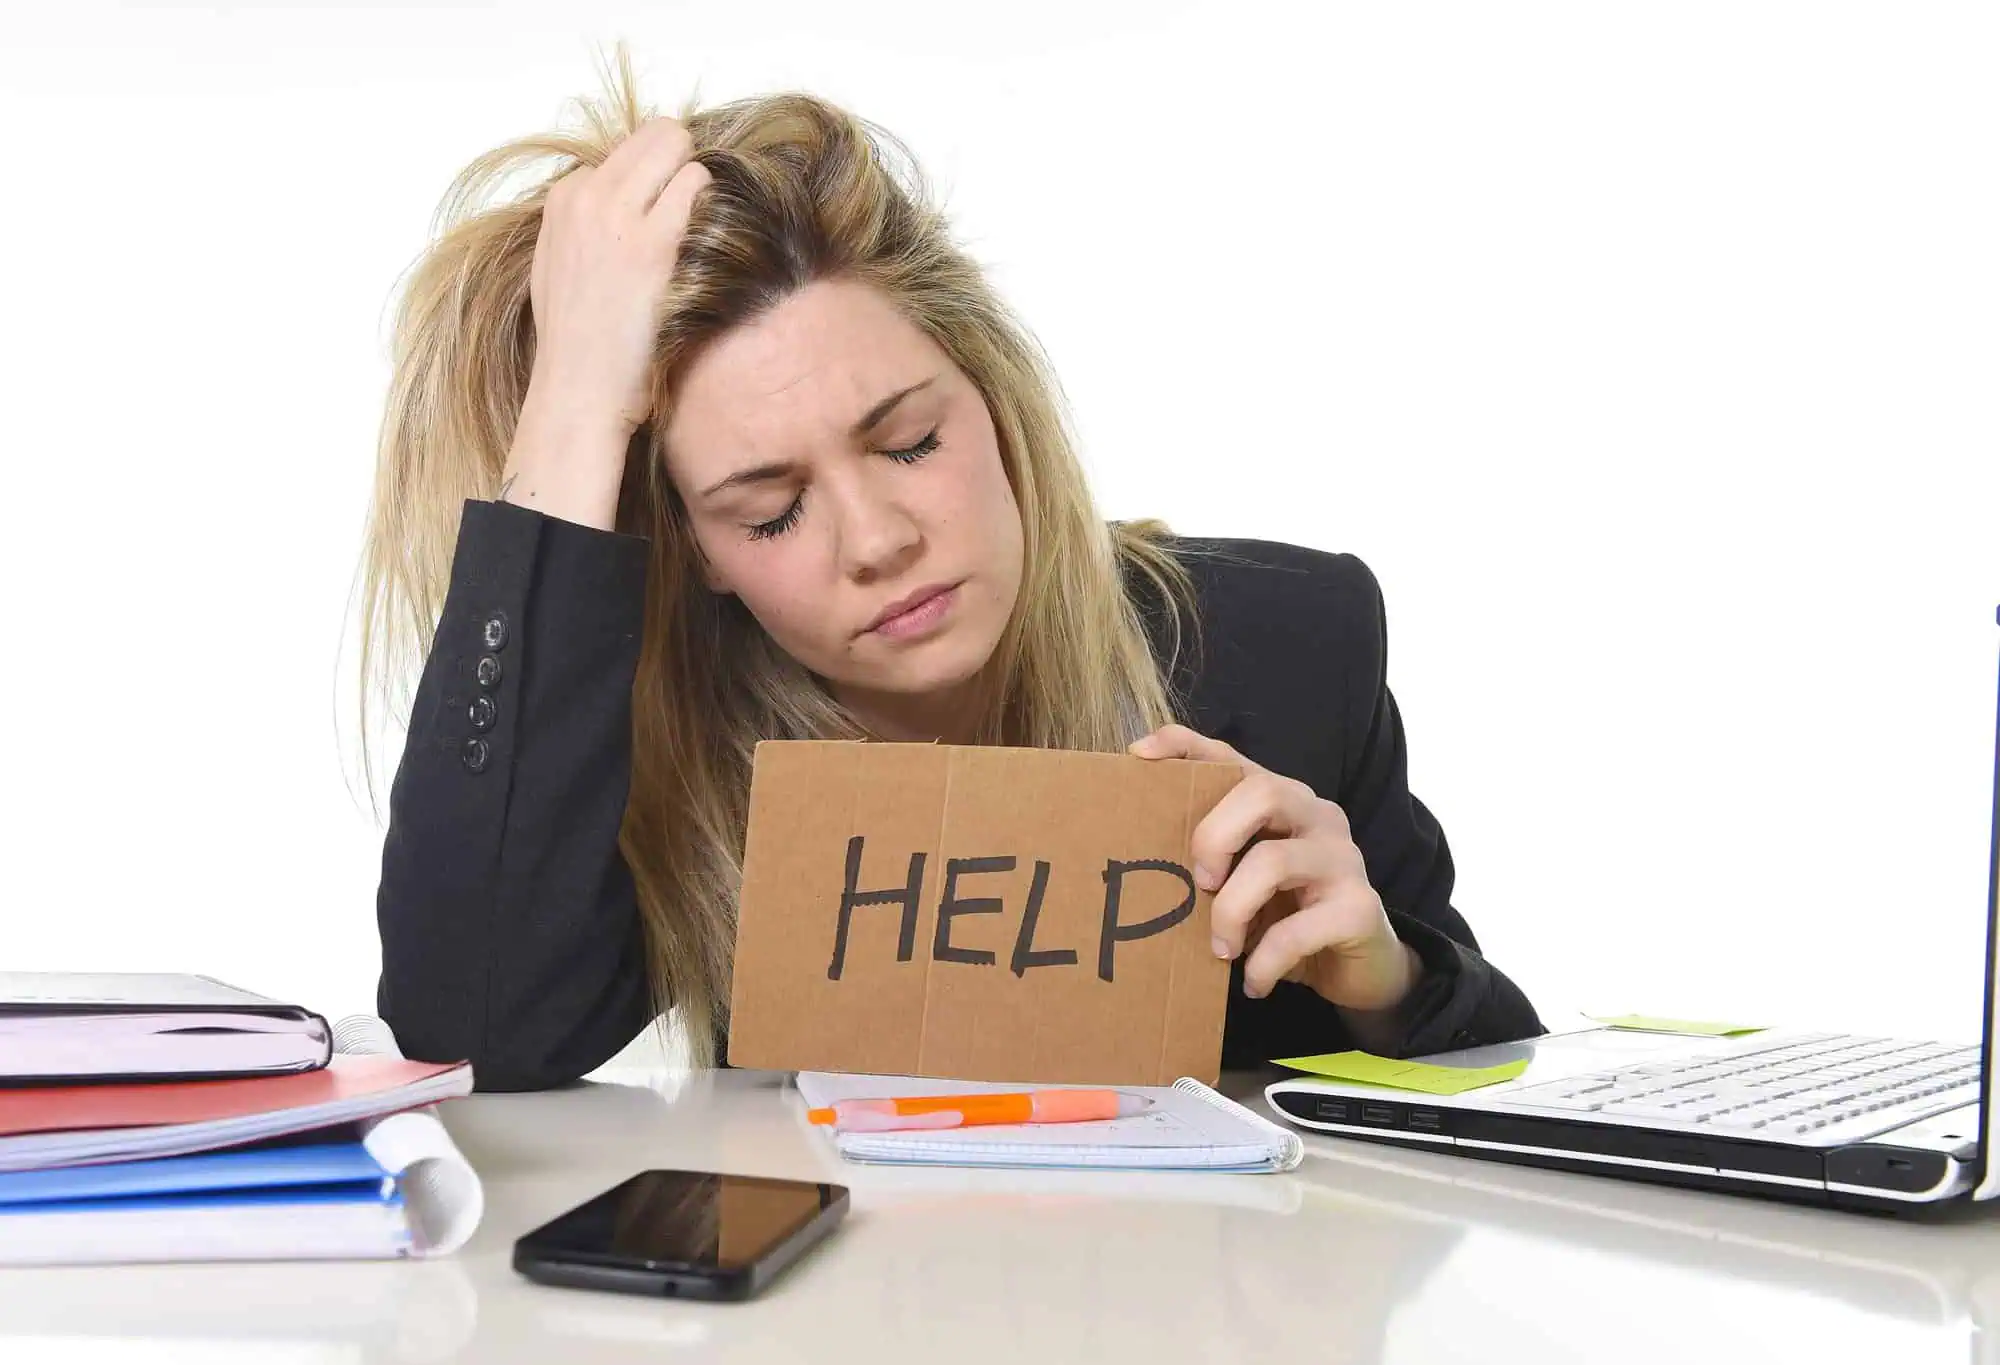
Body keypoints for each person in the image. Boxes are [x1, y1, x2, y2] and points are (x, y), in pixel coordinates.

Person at [359, 50, 1543, 1092]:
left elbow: (1506, 1074)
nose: (876, 541)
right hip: (821, 1319)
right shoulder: (658, 728)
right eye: (767, 512)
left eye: (911, 442)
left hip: (1186, 1319)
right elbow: (474, 1029)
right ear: (696, 552)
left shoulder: (1288, 640)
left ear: (991, 397)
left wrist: (1381, 979)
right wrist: (573, 412)